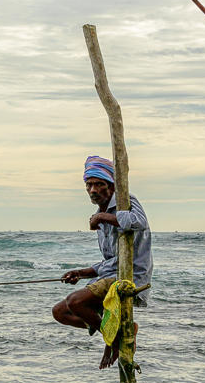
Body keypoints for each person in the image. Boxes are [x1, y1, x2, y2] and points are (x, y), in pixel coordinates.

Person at [53, 156, 151, 366]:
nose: (93, 190)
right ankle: (119, 331)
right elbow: (111, 260)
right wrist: (81, 273)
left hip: (129, 275)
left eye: (99, 184)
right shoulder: (101, 213)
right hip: (111, 273)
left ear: (112, 185)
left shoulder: (126, 200)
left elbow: (139, 222)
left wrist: (102, 218)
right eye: (89, 185)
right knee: (60, 312)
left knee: (76, 301)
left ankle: (114, 341)